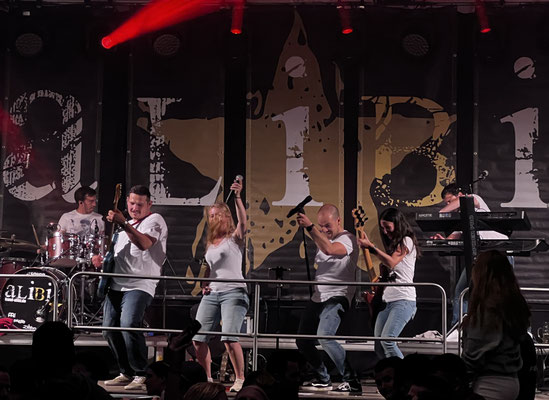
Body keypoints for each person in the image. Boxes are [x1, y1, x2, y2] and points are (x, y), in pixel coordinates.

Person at [92, 185, 168, 391]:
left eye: (140, 204)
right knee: (109, 330)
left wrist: (124, 223)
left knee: (128, 324)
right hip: (117, 284)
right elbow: (118, 256)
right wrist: (102, 260)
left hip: (140, 283)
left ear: (149, 204)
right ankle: (125, 372)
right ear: (126, 201)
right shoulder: (124, 227)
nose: (135, 208)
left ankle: (140, 372)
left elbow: (144, 244)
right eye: (132, 203)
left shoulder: (155, 220)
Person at [295, 204, 362, 393]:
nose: (324, 230)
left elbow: (330, 250)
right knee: (303, 340)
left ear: (338, 221)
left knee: (325, 336)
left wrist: (310, 227)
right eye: (321, 226)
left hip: (337, 296)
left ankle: (351, 380)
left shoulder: (348, 239)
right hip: (319, 296)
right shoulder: (323, 238)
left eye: (328, 226)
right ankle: (323, 377)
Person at [192, 177, 248, 393]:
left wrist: (237, 197)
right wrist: (205, 284)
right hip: (212, 293)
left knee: (229, 337)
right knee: (198, 338)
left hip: (233, 292)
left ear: (226, 217)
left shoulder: (234, 238)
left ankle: (240, 378)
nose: (213, 218)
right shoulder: (210, 243)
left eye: (217, 215)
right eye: (211, 215)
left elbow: (243, 222)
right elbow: (210, 268)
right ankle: (206, 378)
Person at [433, 183, 508, 326]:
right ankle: (459, 328)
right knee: (461, 293)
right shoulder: (461, 219)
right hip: (480, 257)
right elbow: (452, 239)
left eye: (450, 201)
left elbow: (468, 200)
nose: (449, 205)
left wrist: (442, 212)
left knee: (502, 292)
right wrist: (441, 240)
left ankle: (516, 328)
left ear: (460, 195)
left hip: (499, 252)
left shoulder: (473, 199)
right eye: (446, 203)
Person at [461, 250, 531, 400]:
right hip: (512, 380)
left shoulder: (488, 309)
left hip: (489, 383)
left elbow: (475, 353)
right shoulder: (512, 304)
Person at [357, 207, 419, 359]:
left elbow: (392, 262)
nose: (385, 232)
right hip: (387, 301)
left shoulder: (407, 240)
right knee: (379, 344)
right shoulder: (394, 246)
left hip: (403, 300)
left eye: (388, 227)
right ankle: (389, 372)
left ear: (397, 224)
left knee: (388, 340)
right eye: (382, 228)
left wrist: (372, 247)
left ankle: (402, 372)